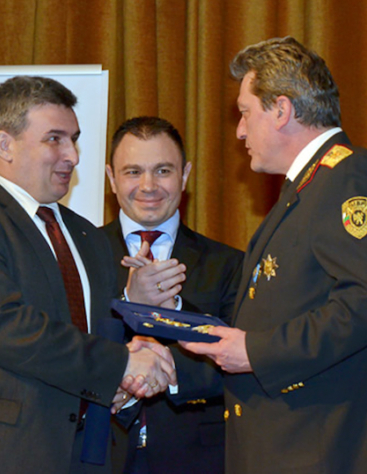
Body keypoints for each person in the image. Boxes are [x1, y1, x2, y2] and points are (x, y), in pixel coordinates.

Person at [0, 76, 175, 474]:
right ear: (4, 145)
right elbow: (4, 328)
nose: (73, 155)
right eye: (54, 139)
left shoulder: (88, 237)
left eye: (74, 140)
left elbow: (95, 339)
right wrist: (121, 364)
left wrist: (124, 385)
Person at [178, 37, 367, 473]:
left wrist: (256, 350)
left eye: (245, 113)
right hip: (296, 444)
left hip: (328, 449)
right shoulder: (309, 186)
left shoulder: (350, 177)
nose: (239, 131)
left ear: (281, 110)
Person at [102, 116, 243, 473]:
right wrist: (130, 303)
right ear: (111, 178)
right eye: (133, 172)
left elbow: (242, 361)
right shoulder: (79, 254)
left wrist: (174, 309)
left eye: (163, 171)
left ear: (185, 175)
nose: (148, 186)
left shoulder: (229, 264)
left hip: (197, 460)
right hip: (100, 454)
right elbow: (66, 344)